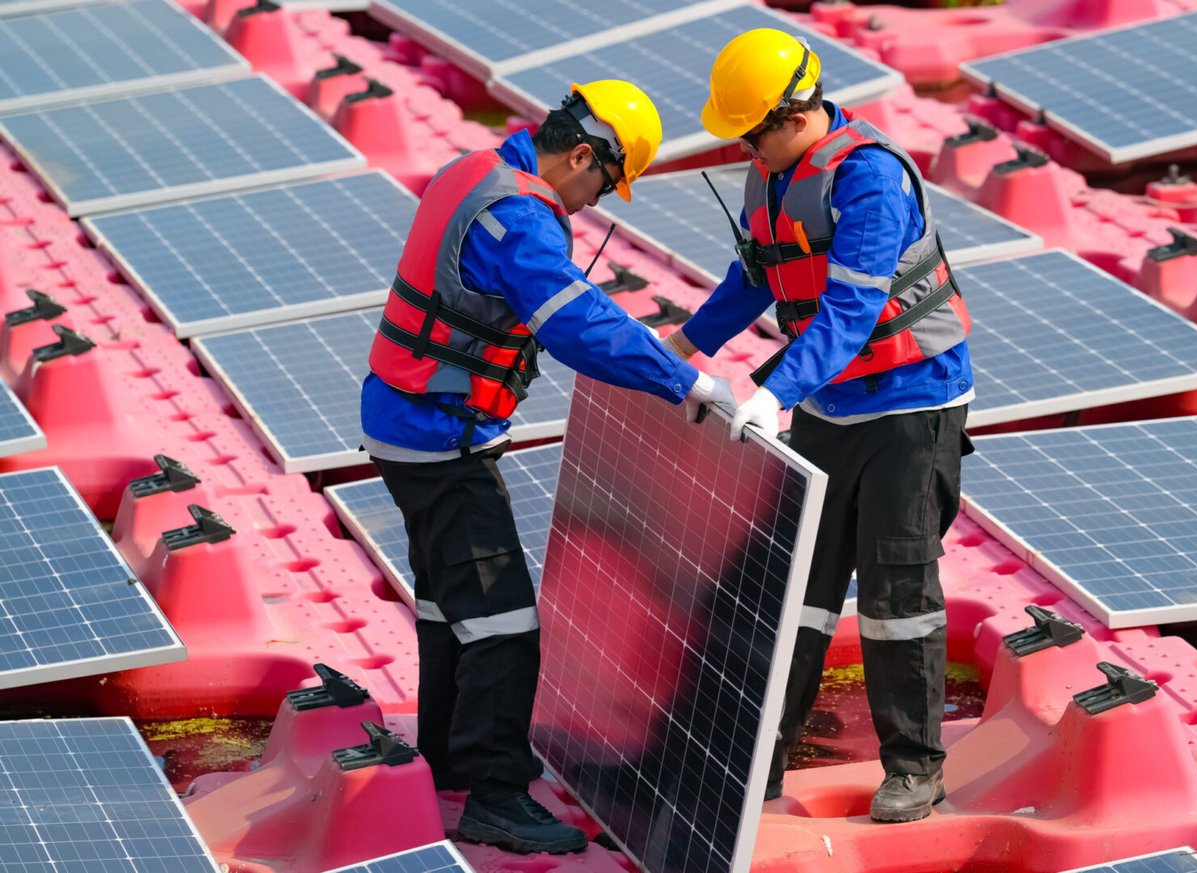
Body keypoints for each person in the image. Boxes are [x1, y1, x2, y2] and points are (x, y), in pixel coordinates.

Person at [360, 79, 734, 855]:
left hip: (408, 423)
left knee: (448, 599)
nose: (595, 202)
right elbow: (574, 323)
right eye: (604, 182)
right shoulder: (518, 217)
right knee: (505, 620)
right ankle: (496, 794)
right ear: (580, 155)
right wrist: (686, 380)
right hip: (440, 438)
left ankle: (452, 753)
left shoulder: (474, 168)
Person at [665, 30, 974, 823]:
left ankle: (915, 766)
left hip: (911, 407)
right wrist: (681, 349)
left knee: (896, 593)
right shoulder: (768, 176)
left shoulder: (870, 178)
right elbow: (753, 278)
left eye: (753, 132)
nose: (746, 147)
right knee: (796, 589)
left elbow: (850, 308)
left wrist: (771, 387)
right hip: (829, 406)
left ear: (795, 113)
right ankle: (757, 760)